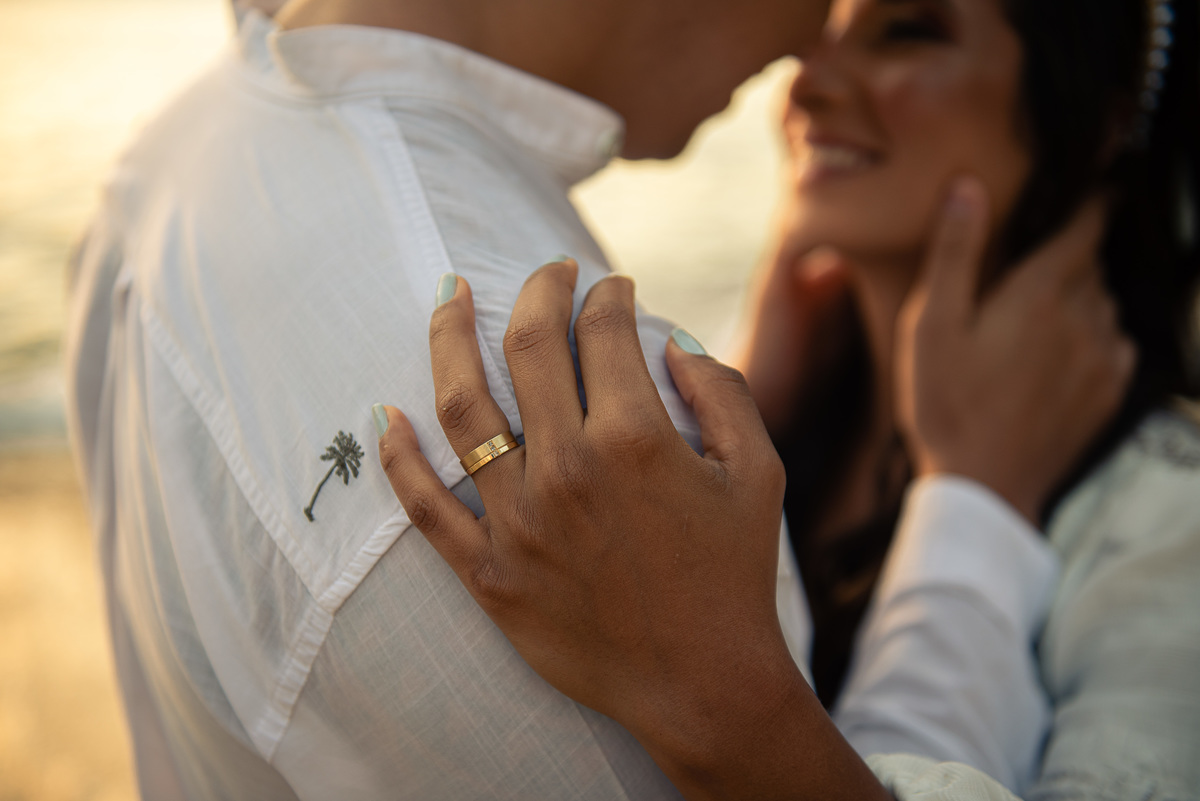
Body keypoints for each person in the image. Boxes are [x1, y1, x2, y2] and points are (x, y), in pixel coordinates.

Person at [374, 0, 1200, 799]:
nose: (807, 84)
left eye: (908, 32)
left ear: (1096, 120)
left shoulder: (1171, 513)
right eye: (823, 32)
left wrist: (977, 502)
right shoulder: (780, 407)